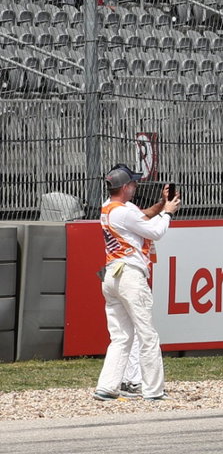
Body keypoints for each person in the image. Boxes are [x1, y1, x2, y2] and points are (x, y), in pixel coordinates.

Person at [95, 166, 181, 402]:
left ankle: (107, 386)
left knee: (121, 337)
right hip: (130, 276)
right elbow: (155, 231)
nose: (135, 186)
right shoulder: (123, 212)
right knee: (147, 335)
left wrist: (162, 204)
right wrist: (169, 213)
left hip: (112, 275)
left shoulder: (109, 207)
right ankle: (153, 390)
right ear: (124, 187)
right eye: (132, 184)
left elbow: (142, 216)